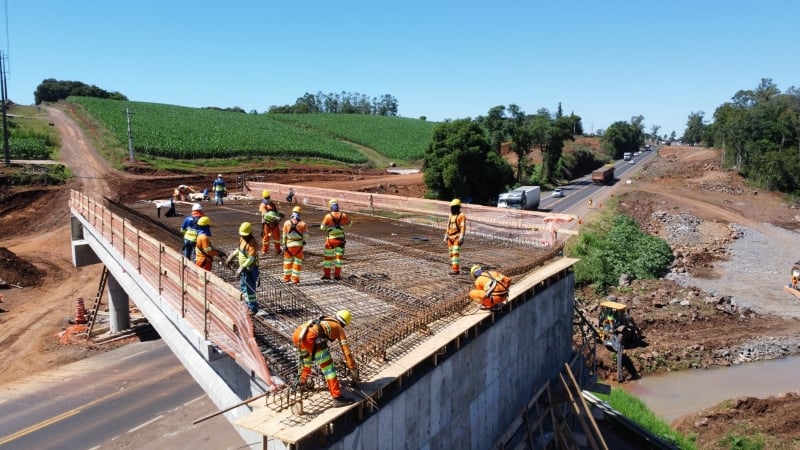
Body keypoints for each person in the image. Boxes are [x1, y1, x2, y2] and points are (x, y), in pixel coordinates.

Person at [292, 310, 359, 407]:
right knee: (329, 369)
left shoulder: (326, 319)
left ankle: (302, 384)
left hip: (297, 334)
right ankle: (337, 398)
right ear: (345, 324)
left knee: (306, 363)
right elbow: (346, 351)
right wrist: (352, 367)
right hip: (310, 338)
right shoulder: (338, 327)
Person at [226, 222, 260, 314]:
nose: (243, 236)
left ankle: (253, 309)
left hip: (250, 269)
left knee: (250, 290)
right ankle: (248, 304)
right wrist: (232, 256)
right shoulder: (242, 238)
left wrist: (242, 267)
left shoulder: (253, 243)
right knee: (243, 287)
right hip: (244, 270)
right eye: (242, 235)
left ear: (250, 233)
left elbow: (251, 258)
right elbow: (240, 249)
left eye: (245, 235)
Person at [320, 198, 351, 280]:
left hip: (330, 240)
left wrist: (328, 226)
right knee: (338, 259)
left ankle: (327, 275)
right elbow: (349, 224)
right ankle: (337, 276)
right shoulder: (343, 215)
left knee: (327, 259)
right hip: (340, 240)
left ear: (330, 207)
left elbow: (322, 228)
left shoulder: (328, 216)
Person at [281, 206, 308, 284]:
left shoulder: (287, 223)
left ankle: (286, 278)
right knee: (297, 263)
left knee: (287, 263)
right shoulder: (303, 224)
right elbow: (306, 236)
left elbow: (284, 235)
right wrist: (303, 238)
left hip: (288, 246)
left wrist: (284, 244)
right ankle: (295, 279)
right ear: (300, 214)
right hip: (298, 247)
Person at [444, 198, 467, 275]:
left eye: (453, 207)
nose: (451, 209)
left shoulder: (461, 215)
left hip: (457, 237)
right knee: (451, 253)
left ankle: (456, 270)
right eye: (451, 207)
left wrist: (461, 237)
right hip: (450, 237)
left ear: (457, 207)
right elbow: (448, 226)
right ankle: (454, 267)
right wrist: (446, 235)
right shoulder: (450, 215)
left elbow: (463, 227)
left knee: (455, 253)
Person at [258, 190, 284, 256]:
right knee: (266, 238)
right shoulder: (263, 205)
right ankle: (264, 251)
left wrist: (279, 214)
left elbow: (275, 211)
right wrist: (275, 217)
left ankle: (278, 250)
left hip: (275, 224)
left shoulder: (272, 204)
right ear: (264, 198)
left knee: (277, 238)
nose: (268, 199)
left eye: (268, 197)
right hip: (267, 225)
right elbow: (265, 215)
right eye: (267, 198)